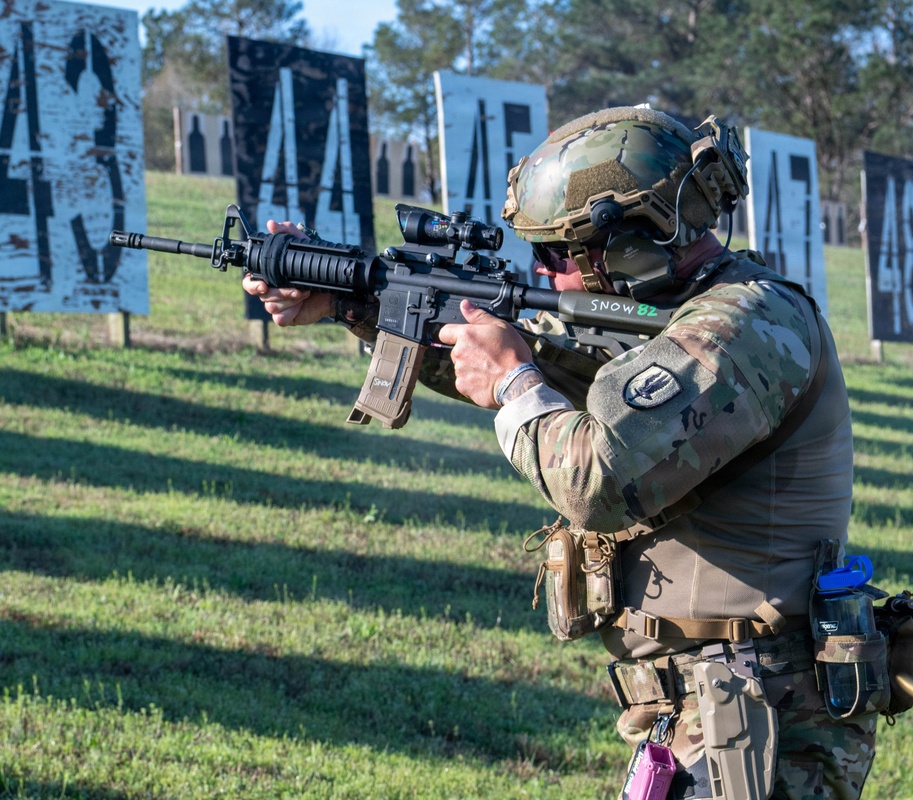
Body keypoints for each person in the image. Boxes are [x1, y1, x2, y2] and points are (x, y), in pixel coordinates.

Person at [244, 106, 878, 799]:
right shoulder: (675, 312)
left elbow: (597, 477)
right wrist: (355, 305)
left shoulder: (741, 328)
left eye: (559, 254)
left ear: (636, 241)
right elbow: (573, 374)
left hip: (758, 715)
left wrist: (513, 381)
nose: (545, 273)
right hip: (705, 705)